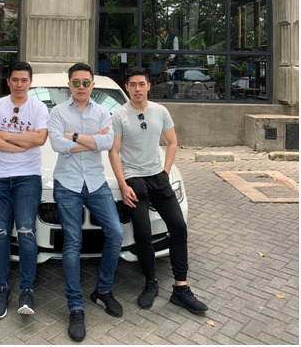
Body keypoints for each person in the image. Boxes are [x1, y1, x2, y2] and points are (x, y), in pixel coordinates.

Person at [109, 66, 208, 315]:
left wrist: (166, 170)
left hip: (158, 176)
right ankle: (151, 283)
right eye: (133, 85)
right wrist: (123, 184)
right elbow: (114, 151)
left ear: (149, 86)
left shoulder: (160, 111)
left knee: (179, 226)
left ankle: (181, 288)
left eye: (141, 84)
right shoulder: (119, 115)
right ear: (127, 87)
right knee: (143, 231)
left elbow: (172, 142)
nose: (137, 89)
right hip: (134, 178)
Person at [48, 62, 124, 342]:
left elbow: (108, 143)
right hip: (67, 184)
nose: (81, 87)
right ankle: (75, 307)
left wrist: (75, 137)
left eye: (86, 82)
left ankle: (102, 291)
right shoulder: (57, 112)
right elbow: (57, 144)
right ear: (69, 84)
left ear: (92, 84)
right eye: (76, 82)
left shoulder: (103, 112)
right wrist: (92, 141)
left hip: (96, 183)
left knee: (115, 232)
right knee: (72, 242)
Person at [0, 61, 49, 319]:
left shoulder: (39, 107)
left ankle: (27, 291)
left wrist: (5, 136)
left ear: (30, 82)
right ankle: (2, 289)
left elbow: (40, 138)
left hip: (28, 178)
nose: (19, 84)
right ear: (8, 81)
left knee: (26, 231)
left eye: (24, 80)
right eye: (15, 80)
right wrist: (20, 145)